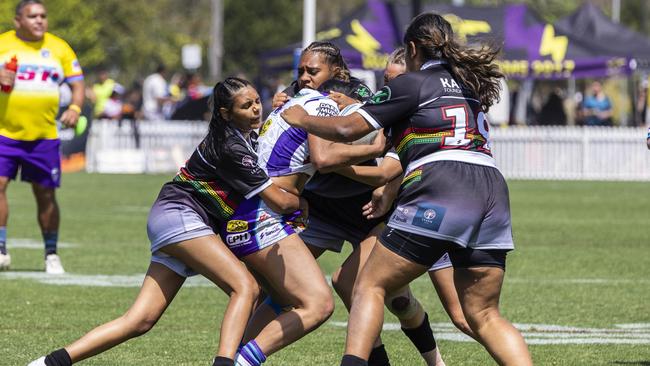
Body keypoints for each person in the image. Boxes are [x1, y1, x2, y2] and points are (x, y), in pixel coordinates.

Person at [281, 12, 532, 366]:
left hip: (443, 187)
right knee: (484, 315)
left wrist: (301, 117)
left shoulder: (411, 83)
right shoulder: (468, 87)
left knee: (367, 285)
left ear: (412, 48)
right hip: (492, 190)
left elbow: (344, 131)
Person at [27, 77, 306, 366]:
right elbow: (282, 201)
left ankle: (49, 363)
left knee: (140, 320)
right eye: (246, 106)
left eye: (256, 102)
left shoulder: (245, 137)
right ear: (225, 113)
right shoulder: (231, 147)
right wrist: (306, 201)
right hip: (181, 216)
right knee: (246, 287)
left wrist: (287, 96)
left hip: (177, 219)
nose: (255, 109)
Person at [271, 42, 446, 366]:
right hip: (323, 208)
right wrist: (278, 105)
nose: (305, 78)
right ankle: (240, 352)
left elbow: (385, 171)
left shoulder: (385, 107)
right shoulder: (300, 95)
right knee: (279, 282)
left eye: (313, 71)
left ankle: (436, 362)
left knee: (396, 300)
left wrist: (339, 163)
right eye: (387, 81)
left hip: (372, 213)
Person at [230, 78, 387, 366]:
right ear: (338, 98)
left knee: (280, 296)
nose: (305, 76)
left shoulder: (298, 103)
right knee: (318, 304)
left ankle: (231, 359)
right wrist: (374, 148)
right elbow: (324, 158)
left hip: (257, 210)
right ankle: (240, 361)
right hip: (263, 213)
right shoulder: (325, 106)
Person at [337, 46, 475, 342]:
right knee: (354, 282)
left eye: (396, 80)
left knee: (463, 316)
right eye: (386, 81)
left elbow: (383, 170)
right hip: (409, 215)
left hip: (425, 216)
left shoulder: (417, 119)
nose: (391, 88)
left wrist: (331, 164)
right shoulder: (403, 105)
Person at [0, 0, 85, 274]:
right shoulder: (3, 44)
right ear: (18, 21)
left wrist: (74, 107)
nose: (39, 20)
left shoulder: (59, 47)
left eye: (43, 16)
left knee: (45, 195)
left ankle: (51, 254)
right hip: (4, 134)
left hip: (44, 137)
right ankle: (1, 249)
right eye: (32, 16)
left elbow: (78, 82)